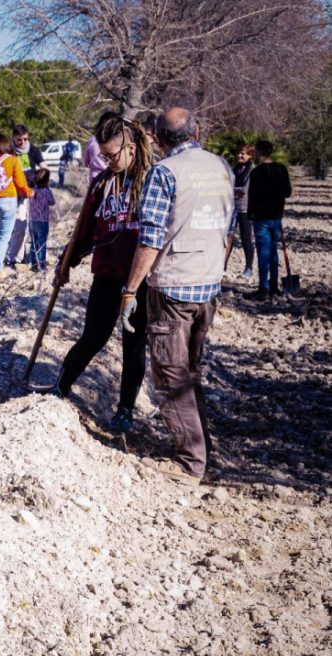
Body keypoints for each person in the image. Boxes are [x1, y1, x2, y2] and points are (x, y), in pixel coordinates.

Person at [119, 108, 235, 484]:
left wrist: (130, 289)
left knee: (170, 374)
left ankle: (190, 463)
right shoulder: (221, 167)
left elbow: (151, 240)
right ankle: (202, 449)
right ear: (197, 131)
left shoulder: (164, 173)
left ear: (158, 138)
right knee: (190, 372)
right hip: (208, 285)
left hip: (173, 287)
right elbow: (229, 230)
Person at [49, 114, 153, 434]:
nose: (108, 161)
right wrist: (67, 260)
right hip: (106, 275)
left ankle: (124, 410)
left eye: (112, 155)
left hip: (141, 282)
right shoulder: (101, 183)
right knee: (92, 337)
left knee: (133, 345)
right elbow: (85, 231)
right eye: (103, 156)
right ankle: (59, 389)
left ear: (131, 148)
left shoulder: (151, 181)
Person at [244, 139, 292, 300]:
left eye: (255, 152)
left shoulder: (257, 172)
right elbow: (287, 192)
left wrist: (250, 215)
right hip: (276, 217)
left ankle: (263, 287)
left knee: (263, 252)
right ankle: (273, 285)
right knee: (273, 251)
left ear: (259, 152)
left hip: (261, 218)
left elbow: (252, 196)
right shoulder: (281, 169)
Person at [0, 134, 33, 274]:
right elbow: (21, 184)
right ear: (6, 145)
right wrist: (31, 193)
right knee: (4, 236)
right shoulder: (13, 160)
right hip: (8, 201)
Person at [5, 124, 47, 267]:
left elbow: (44, 167)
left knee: (33, 227)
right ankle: (14, 258)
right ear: (13, 138)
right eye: (19, 140)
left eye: (25, 139)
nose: (22, 143)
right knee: (20, 225)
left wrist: (42, 179)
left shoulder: (33, 150)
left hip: (33, 192)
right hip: (16, 194)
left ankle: (26, 257)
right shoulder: (10, 152)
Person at [231, 144, 256, 279]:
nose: (240, 156)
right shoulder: (233, 170)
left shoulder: (252, 172)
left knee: (246, 239)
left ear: (250, 156)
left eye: (244, 154)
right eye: (239, 153)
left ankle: (249, 268)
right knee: (228, 238)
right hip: (231, 208)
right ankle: (222, 266)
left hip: (246, 209)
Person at [27, 167, 56, 274]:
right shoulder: (47, 191)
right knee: (42, 243)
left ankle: (32, 262)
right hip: (43, 221)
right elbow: (52, 202)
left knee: (33, 242)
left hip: (32, 221)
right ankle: (42, 265)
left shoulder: (32, 191)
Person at [82, 111, 118, 185]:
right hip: (112, 179)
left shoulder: (92, 140)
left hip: (94, 178)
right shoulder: (117, 141)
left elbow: (86, 163)